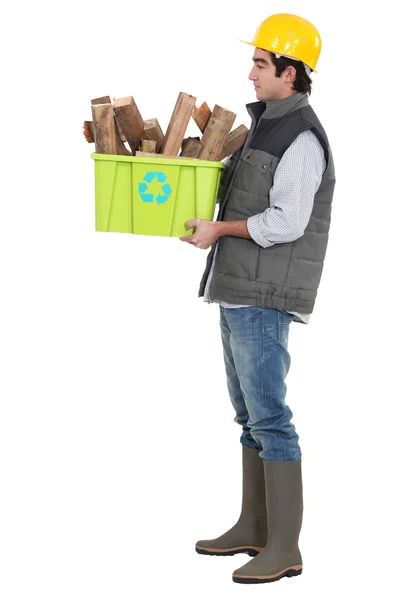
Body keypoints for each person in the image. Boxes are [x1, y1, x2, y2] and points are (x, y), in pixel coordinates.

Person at [180, 13, 335, 585]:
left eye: (261, 64)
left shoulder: (301, 137)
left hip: (264, 293)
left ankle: (285, 548)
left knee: (271, 418)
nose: (250, 74)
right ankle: (253, 526)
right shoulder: (268, 126)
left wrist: (220, 232)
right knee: (249, 417)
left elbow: (286, 222)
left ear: (290, 73)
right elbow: (230, 192)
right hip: (237, 289)